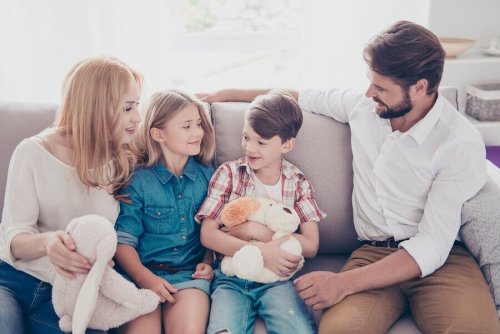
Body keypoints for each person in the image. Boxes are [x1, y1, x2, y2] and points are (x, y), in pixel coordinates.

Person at [197, 21, 500, 333]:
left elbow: (433, 245)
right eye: (370, 82)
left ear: (420, 87)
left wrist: (342, 283)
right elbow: (294, 96)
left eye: (381, 88)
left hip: (443, 261)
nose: (369, 93)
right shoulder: (362, 107)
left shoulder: (458, 143)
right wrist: (228, 93)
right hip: (372, 253)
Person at [0, 57, 142, 334]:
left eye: (137, 105)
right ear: (97, 108)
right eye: (128, 108)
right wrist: (47, 243)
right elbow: (13, 238)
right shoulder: (32, 152)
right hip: (14, 280)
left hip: (75, 291)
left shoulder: (125, 158)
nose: (137, 117)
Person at [196, 91, 325, 334]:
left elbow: (311, 244)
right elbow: (209, 236)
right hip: (231, 279)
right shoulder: (229, 174)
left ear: (287, 144)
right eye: (246, 137)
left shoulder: (297, 182)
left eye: (261, 142)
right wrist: (262, 251)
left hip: (278, 280)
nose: (249, 147)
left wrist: (256, 232)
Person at [114, 90, 215, 334]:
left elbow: (216, 231)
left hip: (188, 277)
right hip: (139, 278)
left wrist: (207, 262)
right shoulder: (137, 181)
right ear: (159, 134)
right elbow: (123, 242)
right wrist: (145, 279)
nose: (197, 132)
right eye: (187, 126)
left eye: (199, 124)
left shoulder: (209, 177)